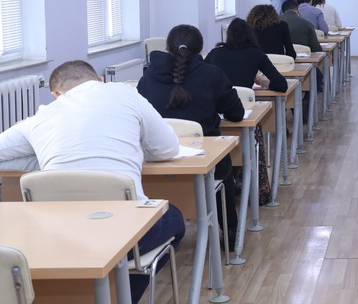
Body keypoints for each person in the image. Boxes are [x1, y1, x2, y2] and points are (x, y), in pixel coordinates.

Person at [0, 60, 184, 304]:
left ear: (56, 94)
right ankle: (122, 295)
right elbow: (167, 149)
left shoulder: (41, 116)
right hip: (126, 236)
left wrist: (42, 162)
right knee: (174, 218)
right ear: (100, 80)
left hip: (59, 238)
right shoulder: (126, 93)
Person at [137, 24, 244, 248]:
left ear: (167, 47)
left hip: (155, 164)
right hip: (207, 164)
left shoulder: (148, 77)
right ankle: (230, 231)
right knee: (224, 170)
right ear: (200, 48)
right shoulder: (212, 73)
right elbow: (236, 113)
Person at [205, 18, 288, 205]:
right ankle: (259, 191)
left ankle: (230, 181)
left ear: (228, 36)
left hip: (214, 118)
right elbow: (281, 85)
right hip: (240, 116)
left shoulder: (215, 54)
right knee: (254, 132)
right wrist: (265, 83)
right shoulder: (256, 54)